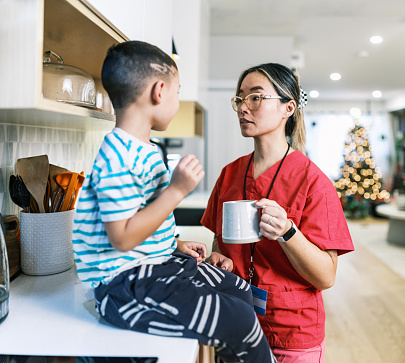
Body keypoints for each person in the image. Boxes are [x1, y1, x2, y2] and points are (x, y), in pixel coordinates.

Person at [72, 41, 275, 363]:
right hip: (124, 286)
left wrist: (173, 243)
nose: (178, 102)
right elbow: (122, 237)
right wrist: (177, 190)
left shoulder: (146, 149)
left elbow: (142, 216)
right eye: (178, 93)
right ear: (160, 91)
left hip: (156, 268)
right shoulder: (116, 158)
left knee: (239, 290)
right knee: (240, 321)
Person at [201, 63, 354, 362]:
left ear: (288, 107)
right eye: (239, 98)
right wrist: (218, 257)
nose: (243, 107)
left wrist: (288, 232)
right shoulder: (229, 174)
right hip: (235, 325)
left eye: (256, 97)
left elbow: (325, 277)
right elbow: (220, 242)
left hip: (290, 334)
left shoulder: (313, 182)